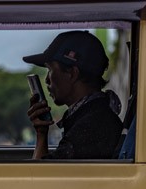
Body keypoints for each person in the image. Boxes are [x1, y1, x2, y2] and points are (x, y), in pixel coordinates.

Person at [23, 30, 123, 160]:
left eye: (50, 70)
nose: (47, 80)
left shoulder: (88, 130)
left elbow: (41, 178)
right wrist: (41, 132)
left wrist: (41, 137)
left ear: (72, 74)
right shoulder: (95, 116)